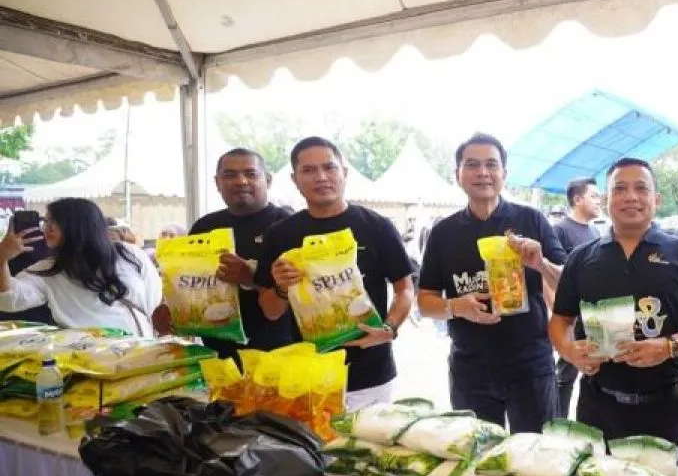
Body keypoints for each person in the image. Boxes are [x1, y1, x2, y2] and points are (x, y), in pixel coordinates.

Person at [551, 158, 678, 459]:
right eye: (620, 189)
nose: (631, 197)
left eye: (641, 188)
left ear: (657, 199)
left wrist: (668, 346)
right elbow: (560, 320)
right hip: (597, 407)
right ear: (606, 199)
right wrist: (570, 351)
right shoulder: (581, 258)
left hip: (664, 409)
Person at [417, 133, 566, 433]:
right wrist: (456, 307)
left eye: (491, 164)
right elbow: (424, 302)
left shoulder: (532, 220)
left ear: (504, 174)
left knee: (536, 451)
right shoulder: (443, 232)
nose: (482, 172)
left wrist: (541, 264)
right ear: (458, 174)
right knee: (477, 452)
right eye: (472, 165)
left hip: (530, 365)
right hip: (470, 369)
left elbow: (568, 284)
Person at [256, 137, 415, 411]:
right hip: (310, 377)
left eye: (329, 167)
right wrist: (281, 288)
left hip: (371, 374)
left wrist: (390, 328)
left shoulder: (376, 226)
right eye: (308, 170)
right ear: (295, 179)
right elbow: (270, 312)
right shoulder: (280, 235)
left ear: (344, 172)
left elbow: (405, 288)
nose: (321, 177)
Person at [157, 149, 297, 359]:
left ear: (267, 180)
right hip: (216, 352)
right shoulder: (205, 226)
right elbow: (187, 284)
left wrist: (250, 278)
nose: (241, 181)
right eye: (230, 175)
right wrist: (170, 308)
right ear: (217, 182)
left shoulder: (287, 225)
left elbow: (304, 290)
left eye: (250, 173)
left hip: (279, 351)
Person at [0, 198, 161, 333]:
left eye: (55, 221)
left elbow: (153, 295)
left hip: (138, 350)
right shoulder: (48, 269)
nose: (47, 228)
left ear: (80, 224)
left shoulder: (128, 253)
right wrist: (2, 258)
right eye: (46, 221)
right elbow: (9, 300)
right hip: (84, 355)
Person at [552, 177, 603, 417]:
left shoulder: (595, 231)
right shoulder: (561, 230)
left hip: (594, 317)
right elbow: (550, 276)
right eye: (594, 196)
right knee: (566, 373)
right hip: (569, 315)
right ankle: (559, 418)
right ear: (578, 199)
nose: (599, 200)